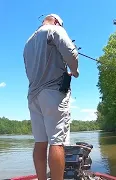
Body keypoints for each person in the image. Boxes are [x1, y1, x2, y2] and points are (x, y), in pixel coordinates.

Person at [23, 14, 79, 180]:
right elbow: (71, 53)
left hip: (33, 96)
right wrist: (74, 71)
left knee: (40, 142)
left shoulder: (28, 43)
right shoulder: (54, 29)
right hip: (53, 94)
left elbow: (28, 70)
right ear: (57, 22)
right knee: (56, 142)